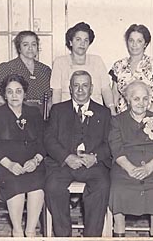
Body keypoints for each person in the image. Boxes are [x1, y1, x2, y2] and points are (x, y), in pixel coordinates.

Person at [44, 70, 111, 237]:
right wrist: (66, 157)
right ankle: (63, 235)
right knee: (53, 186)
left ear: (91, 88)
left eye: (85, 86)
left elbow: (110, 142)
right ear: (70, 88)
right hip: (64, 164)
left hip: (92, 165)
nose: (80, 90)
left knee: (102, 185)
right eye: (76, 86)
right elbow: (49, 139)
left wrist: (95, 157)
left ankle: (92, 236)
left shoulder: (103, 112)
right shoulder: (58, 110)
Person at [0, 74, 46, 237]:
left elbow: (43, 141)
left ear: (25, 94)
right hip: (5, 164)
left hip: (32, 163)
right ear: (4, 95)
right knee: (15, 185)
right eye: (9, 92)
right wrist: (9, 164)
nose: (14, 96)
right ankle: (18, 231)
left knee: (37, 185)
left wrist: (36, 160)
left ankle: (31, 231)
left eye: (18, 91)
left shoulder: (34, 112)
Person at [108, 80, 153, 237]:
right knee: (118, 188)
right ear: (128, 100)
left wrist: (149, 167)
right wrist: (130, 169)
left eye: (145, 98)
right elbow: (116, 147)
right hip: (124, 168)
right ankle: (119, 230)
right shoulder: (117, 120)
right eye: (136, 99)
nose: (141, 103)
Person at [50, 22, 116, 115]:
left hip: (95, 111)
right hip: (67, 112)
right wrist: (56, 114)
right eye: (78, 39)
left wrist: (112, 110)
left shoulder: (97, 61)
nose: (82, 43)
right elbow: (57, 92)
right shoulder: (60, 62)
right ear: (70, 42)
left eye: (86, 40)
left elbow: (105, 89)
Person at [109, 24, 153, 114]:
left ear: (145, 44)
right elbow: (114, 95)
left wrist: (148, 117)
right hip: (123, 119)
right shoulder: (119, 65)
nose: (134, 45)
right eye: (131, 40)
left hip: (148, 118)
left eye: (139, 41)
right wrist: (114, 116)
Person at [0, 31, 51, 113]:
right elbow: (0, 100)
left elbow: (50, 99)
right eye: (25, 44)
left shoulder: (45, 70)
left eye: (34, 44)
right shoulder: (7, 68)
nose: (30, 48)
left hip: (41, 116)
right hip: (15, 115)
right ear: (19, 48)